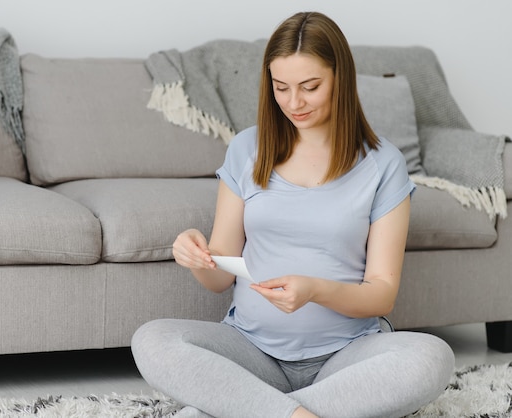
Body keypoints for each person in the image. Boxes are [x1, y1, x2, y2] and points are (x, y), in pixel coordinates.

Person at [131, 11, 454, 418]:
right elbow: (219, 278)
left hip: (347, 355)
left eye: (310, 86)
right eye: (281, 88)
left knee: (432, 356)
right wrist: (195, 255)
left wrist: (316, 290)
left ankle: (248, 409)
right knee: (153, 339)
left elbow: (381, 294)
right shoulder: (247, 150)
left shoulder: (382, 163)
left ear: (341, 78)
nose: (294, 103)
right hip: (250, 350)